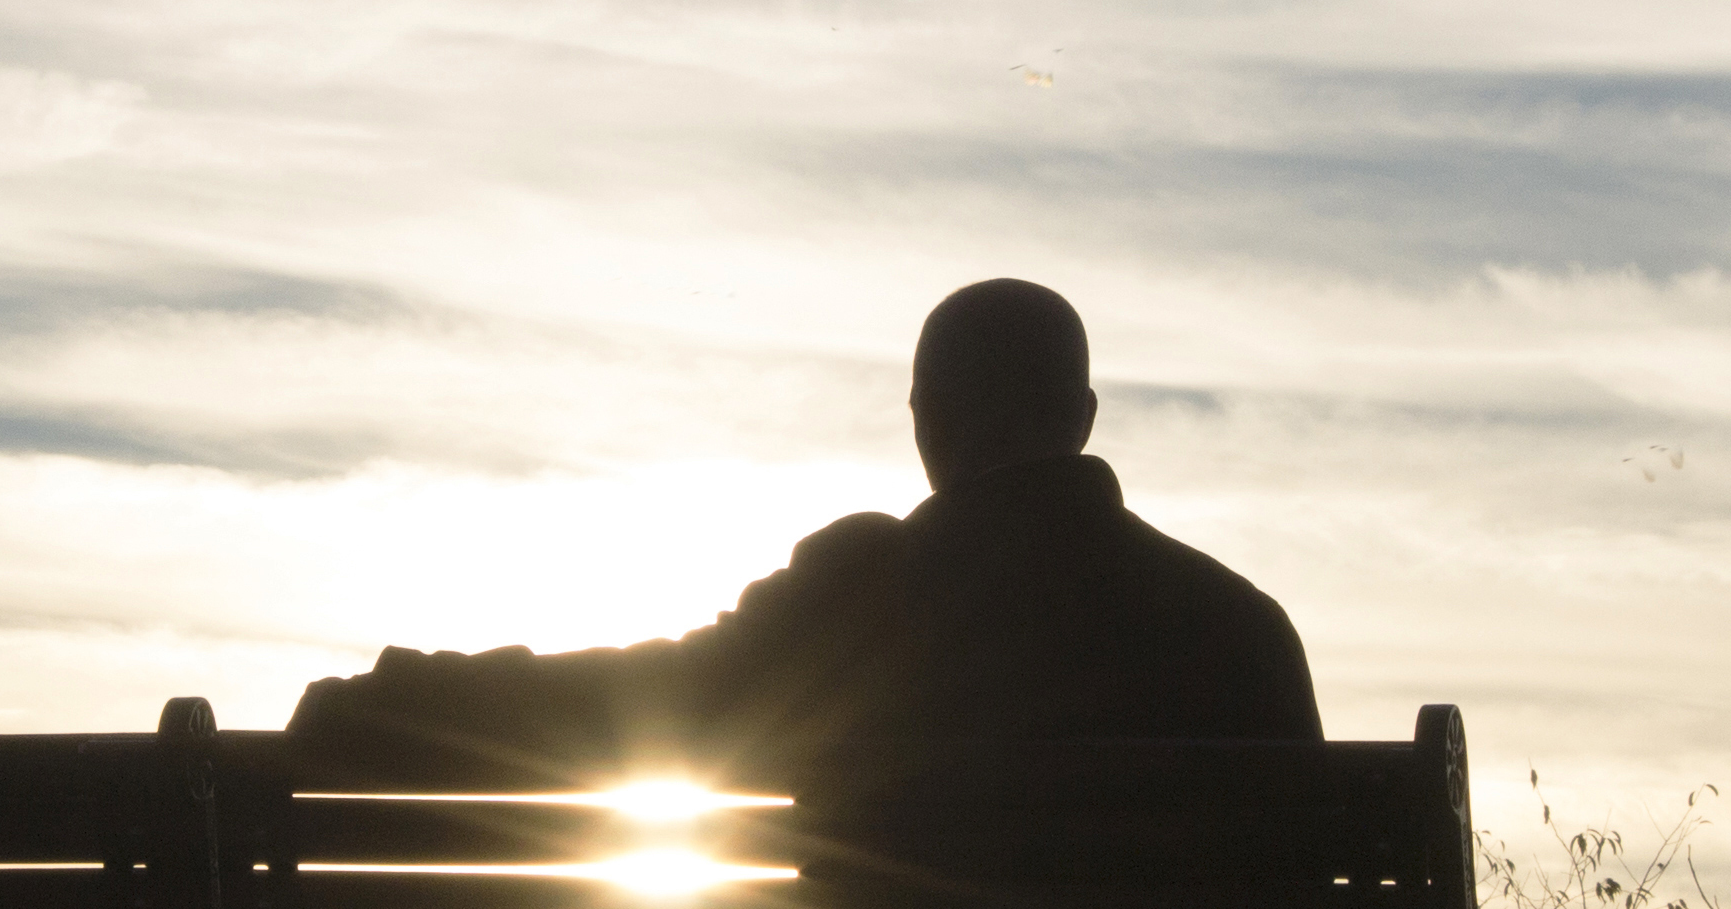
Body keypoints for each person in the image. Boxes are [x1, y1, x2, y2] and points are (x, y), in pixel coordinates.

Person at [284, 279, 1321, 790]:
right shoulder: (1240, 627)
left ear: (925, 419)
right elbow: (1309, 899)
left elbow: (633, 708)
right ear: (1082, 419)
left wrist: (397, 699)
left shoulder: (865, 595)